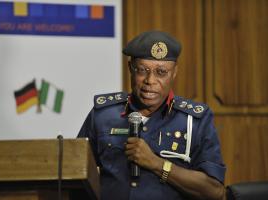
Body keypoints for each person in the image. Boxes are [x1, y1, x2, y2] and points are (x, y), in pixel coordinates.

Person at [77, 30, 226, 200]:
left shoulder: (196, 120)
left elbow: (215, 192)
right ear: (130, 69)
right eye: (142, 70)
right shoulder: (103, 115)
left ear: (174, 72)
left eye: (161, 72)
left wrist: (157, 164)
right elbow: (75, 174)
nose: (150, 81)